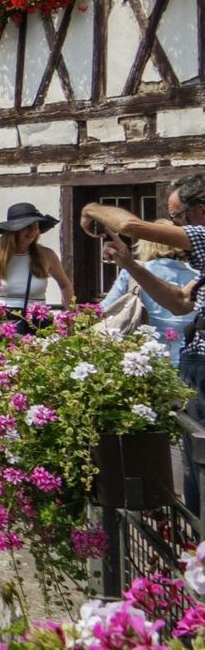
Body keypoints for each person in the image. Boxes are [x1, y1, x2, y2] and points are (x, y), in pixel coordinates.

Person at [84, 173, 205, 510]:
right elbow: (180, 302)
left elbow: (132, 226)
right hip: (195, 365)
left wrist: (92, 207)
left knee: (200, 461)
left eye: (179, 218)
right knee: (196, 466)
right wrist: (128, 263)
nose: (177, 225)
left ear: (202, 212)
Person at [101, 238, 200, 364]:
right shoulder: (196, 277)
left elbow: (104, 310)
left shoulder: (134, 271)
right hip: (191, 359)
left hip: (144, 358)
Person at [0, 201, 75, 317]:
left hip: (36, 325)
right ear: (14, 230)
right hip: (0, 323)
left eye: (35, 226)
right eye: (27, 227)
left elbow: (65, 285)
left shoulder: (46, 255)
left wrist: (71, 316)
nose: (33, 232)